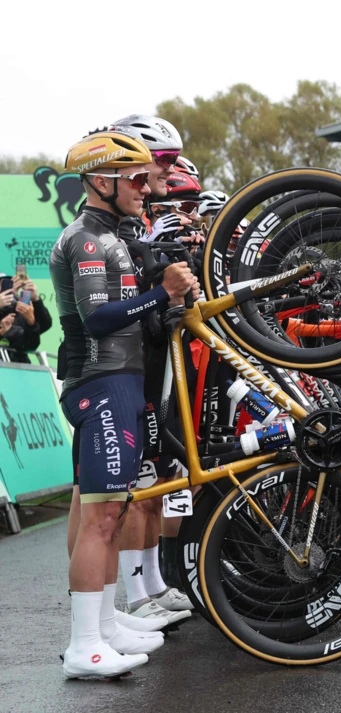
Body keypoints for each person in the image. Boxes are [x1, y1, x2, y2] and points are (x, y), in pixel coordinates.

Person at [54, 131, 198, 679]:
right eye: (135, 178)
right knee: (101, 517)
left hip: (122, 379)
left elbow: (132, 313)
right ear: (100, 181)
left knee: (111, 514)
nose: (146, 187)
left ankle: (105, 626)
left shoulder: (115, 235)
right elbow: (99, 319)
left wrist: (165, 301)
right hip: (101, 379)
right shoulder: (88, 239)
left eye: (146, 176)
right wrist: (162, 291)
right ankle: (84, 644)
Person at [0, 274, 52, 363]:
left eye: (7, 284)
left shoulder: (16, 310)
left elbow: (30, 345)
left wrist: (35, 300)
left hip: (18, 369)